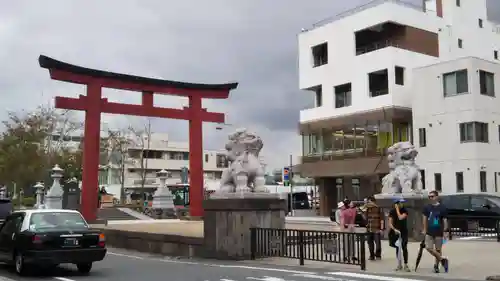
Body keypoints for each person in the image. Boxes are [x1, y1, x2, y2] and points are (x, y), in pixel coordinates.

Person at [422, 190, 449, 273]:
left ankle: (436, 266)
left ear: (437, 197)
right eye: (429, 196)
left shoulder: (442, 207)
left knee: (438, 249)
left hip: (438, 231)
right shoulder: (427, 207)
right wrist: (424, 229)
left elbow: (445, 220)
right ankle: (442, 260)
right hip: (429, 231)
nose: (430, 198)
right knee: (428, 247)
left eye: (432, 196)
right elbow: (424, 219)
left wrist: (445, 231)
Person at [388, 198, 410, 272]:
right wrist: (394, 229)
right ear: (396, 204)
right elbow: (390, 223)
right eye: (400, 203)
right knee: (398, 248)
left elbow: (400, 217)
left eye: (402, 203)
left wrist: (397, 210)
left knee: (404, 247)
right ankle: (399, 264)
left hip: (403, 232)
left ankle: (406, 264)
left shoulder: (405, 210)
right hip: (396, 232)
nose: (402, 204)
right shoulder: (392, 211)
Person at [364, 196, 384, 260]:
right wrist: (364, 210)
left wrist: (381, 229)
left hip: (376, 229)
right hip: (369, 228)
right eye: (368, 202)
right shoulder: (367, 209)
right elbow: (365, 218)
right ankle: (371, 256)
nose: (368, 203)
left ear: (373, 201)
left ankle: (378, 255)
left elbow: (382, 219)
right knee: (370, 243)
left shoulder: (378, 208)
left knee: (377, 243)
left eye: (369, 202)